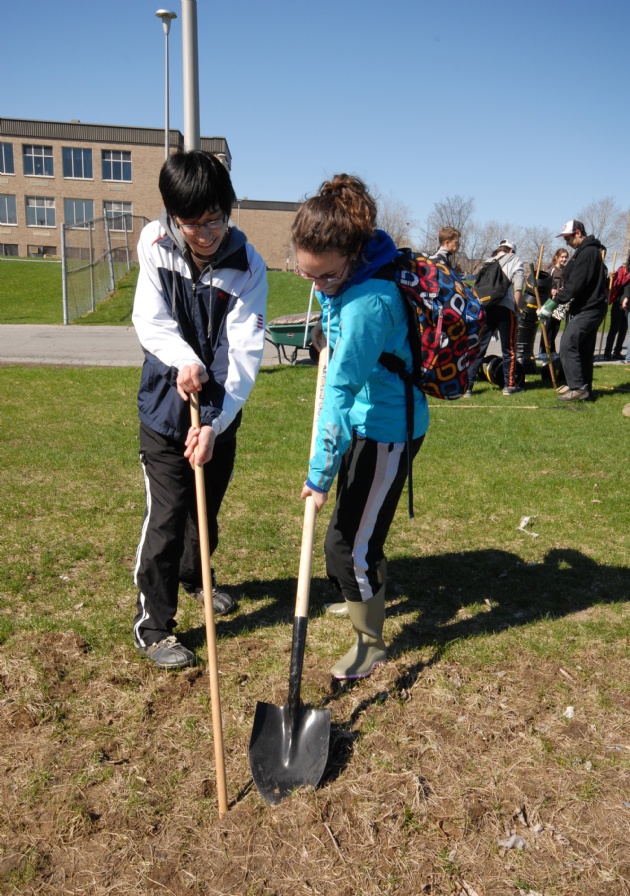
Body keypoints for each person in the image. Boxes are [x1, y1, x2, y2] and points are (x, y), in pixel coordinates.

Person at [131, 150, 268, 668]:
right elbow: (151, 318)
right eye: (193, 223)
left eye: (215, 218)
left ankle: (197, 581)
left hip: (220, 414)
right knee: (166, 518)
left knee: (203, 514)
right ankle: (154, 625)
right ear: (172, 216)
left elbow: (243, 355)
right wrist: (184, 360)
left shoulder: (247, 265)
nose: (206, 233)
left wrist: (214, 424)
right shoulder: (154, 243)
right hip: (164, 410)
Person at [292, 174, 429, 681]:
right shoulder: (346, 282)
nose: (318, 286)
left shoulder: (369, 302)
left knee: (351, 546)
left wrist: (320, 474)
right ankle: (357, 599)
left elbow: (339, 392)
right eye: (308, 275)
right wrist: (327, 302)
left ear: (352, 255)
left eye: (326, 276)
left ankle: (371, 642)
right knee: (350, 537)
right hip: (362, 423)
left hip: (387, 430)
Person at [538, 220, 607, 401]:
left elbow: (575, 285)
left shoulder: (588, 252)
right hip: (588, 307)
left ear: (578, 232)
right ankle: (586, 390)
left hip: (590, 308)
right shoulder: (584, 252)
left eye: (567, 237)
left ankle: (577, 388)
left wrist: (551, 305)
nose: (566, 241)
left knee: (568, 344)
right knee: (583, 349)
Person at [467, 240, 524, 396]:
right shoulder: (515, 260)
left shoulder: (488, 262)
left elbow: (476, 286)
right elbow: (518, 285)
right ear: (511, 251)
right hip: (505, 309)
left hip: (486, 308)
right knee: (509, 349)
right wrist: (517, 307)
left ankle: (468, 387)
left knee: (479, 347)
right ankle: (509, 386)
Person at [537, 246, 569, 358]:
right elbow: (544, 284)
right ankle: (543, 350)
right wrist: (551, 290)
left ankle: (552, 349)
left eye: (566, 257)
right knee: (548, 326)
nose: (564, 259)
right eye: (562, 257)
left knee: (555, 327)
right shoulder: (552, 270)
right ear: (557, 257)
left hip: (560, 303)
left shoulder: (564, 270)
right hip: (550, 301)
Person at [603, 252, 630, 360]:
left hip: (628, 305)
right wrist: (613, 278)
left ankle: (617, 351)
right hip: (618, 303)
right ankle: (607, 352)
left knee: (623, 330)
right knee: (614, 329)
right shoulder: (622, 270)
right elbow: (616, 284)